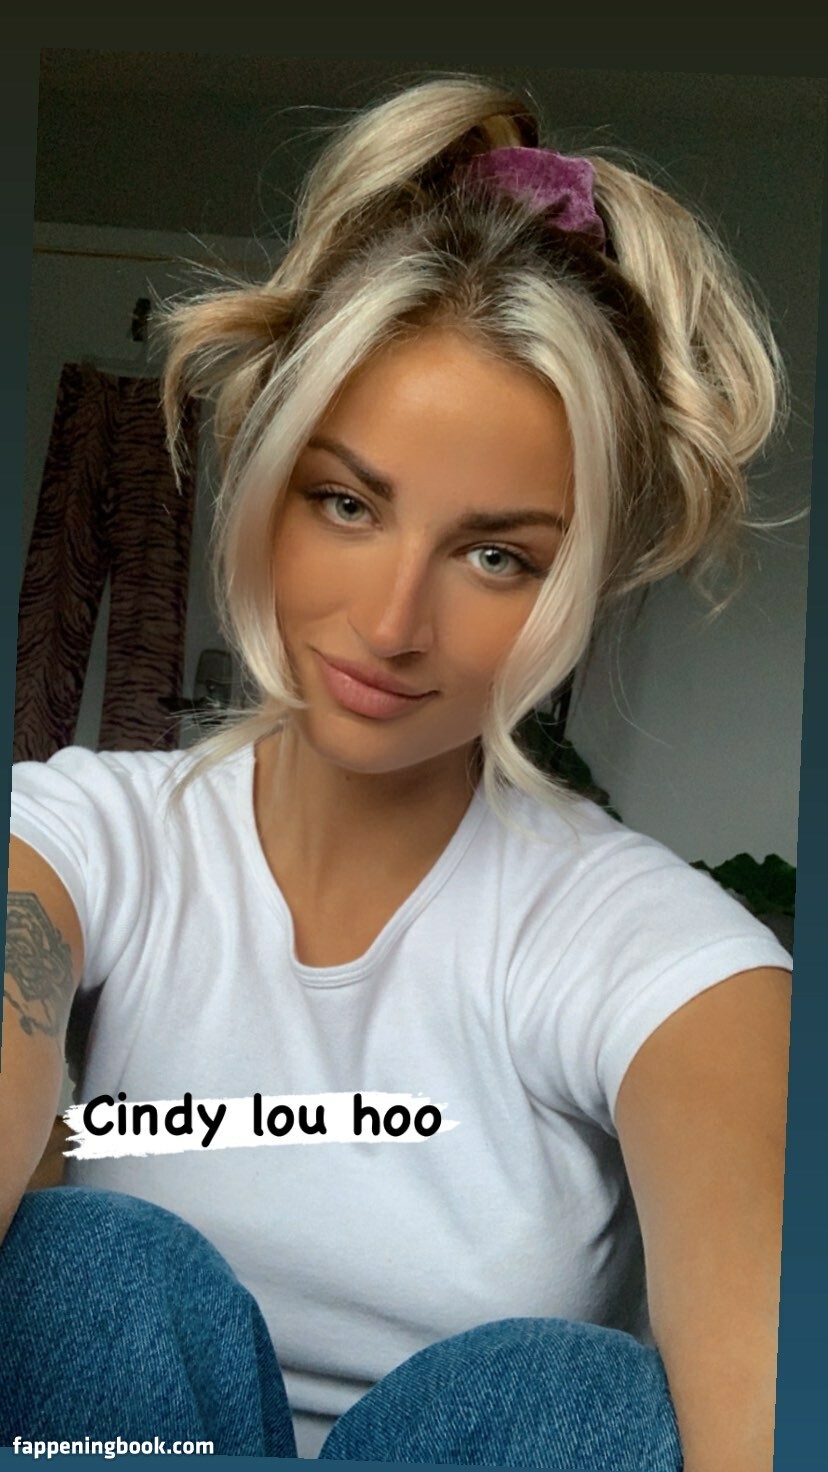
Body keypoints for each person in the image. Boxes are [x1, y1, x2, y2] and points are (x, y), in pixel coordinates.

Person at [2, 76, 792, 1472]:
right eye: (347, 502)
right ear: (262, 478)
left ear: (587, 584)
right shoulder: (83, 835)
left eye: (497, 554)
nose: (389, 622)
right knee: (88, 1268)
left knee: (567, 1398)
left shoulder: (661, 959)